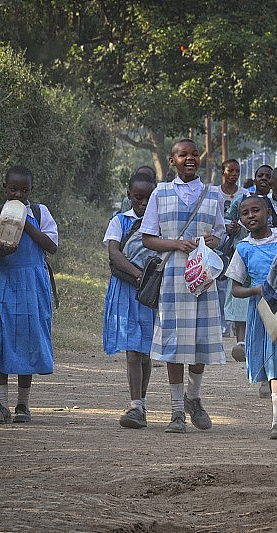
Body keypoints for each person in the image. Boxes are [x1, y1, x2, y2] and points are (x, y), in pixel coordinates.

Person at [141, 139, 226, 433]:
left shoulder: (213, 194)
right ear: (172, 160)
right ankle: (176, 410)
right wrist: (177, 243)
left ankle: (194, 397)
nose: (189, 158)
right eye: (182, 155)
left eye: (193, 154)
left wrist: (212, 241)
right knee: (174, 344)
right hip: (174, 275)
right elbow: (148, 237)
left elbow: (220, 233)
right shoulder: (160, 193)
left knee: (200, 344)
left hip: (203, 276)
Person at [0, 166, 58, 423]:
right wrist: (1, 252)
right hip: (3, 282)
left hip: (32, 284)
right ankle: (0, 405)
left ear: (31, 191)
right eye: (13, 189)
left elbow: (52, 246)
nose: (18, 194)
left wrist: (25, 223)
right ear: (4, 188)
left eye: (24, 190)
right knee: (0, 339)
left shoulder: (39, 212)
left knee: (28, 339)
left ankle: (22, 405)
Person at [226, 195, 277, 439]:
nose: (251, 216)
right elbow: (235, 289)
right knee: (271, 363)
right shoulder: (243, 248)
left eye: (256, 210)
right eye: (245, 214)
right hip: (262, 312)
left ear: (268, 212)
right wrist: (256, 290)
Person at [103, 173, 158, 429]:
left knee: (145, 352)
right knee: (133, 351)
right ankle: (136, 404)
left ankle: (141, 403)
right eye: (138, 198)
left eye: (149, 198)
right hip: (126, 291)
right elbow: (114, 252)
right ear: (129, 196)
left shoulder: (160, 225)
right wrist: (138, 274)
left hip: (151, 295)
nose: (144, 203)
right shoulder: (119, 221)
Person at [225, 165, 273, 368]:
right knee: (240, 301)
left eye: (267, 176)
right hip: (243, 252)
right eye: (259, 175)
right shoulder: (241, 200)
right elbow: (227, 218)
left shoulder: (273, 202)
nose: (263, 179)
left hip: (268, 259)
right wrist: (231, 226)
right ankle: (242, 341)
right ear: (254, 178)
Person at [217, 159, 248, 338]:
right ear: (223, 172)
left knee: (232, 284)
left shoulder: (245, 194)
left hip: (238, 246)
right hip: (220, 244)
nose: (234, 174)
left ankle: (234, 325)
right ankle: (223, 322)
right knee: (220, 285)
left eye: (237, 171)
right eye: (230, 171)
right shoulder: (215, 193)